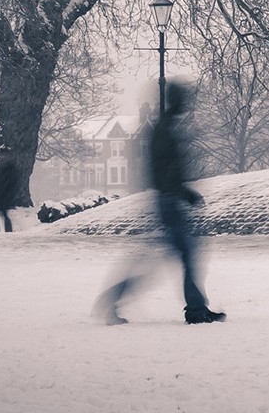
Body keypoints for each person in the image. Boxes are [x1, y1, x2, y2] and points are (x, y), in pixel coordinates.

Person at [95, 81, 224, 325]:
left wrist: (182, 192)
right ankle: (113, 301)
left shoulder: (166, 128)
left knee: (179, 255)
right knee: (171, 257)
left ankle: (196, 309)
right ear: (175, 100)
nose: (186, 104)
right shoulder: (163, 130)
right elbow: (164, 172)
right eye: (183, 99)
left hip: (169, 200)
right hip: (169, 202)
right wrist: (184, 193)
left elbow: (166, 170)